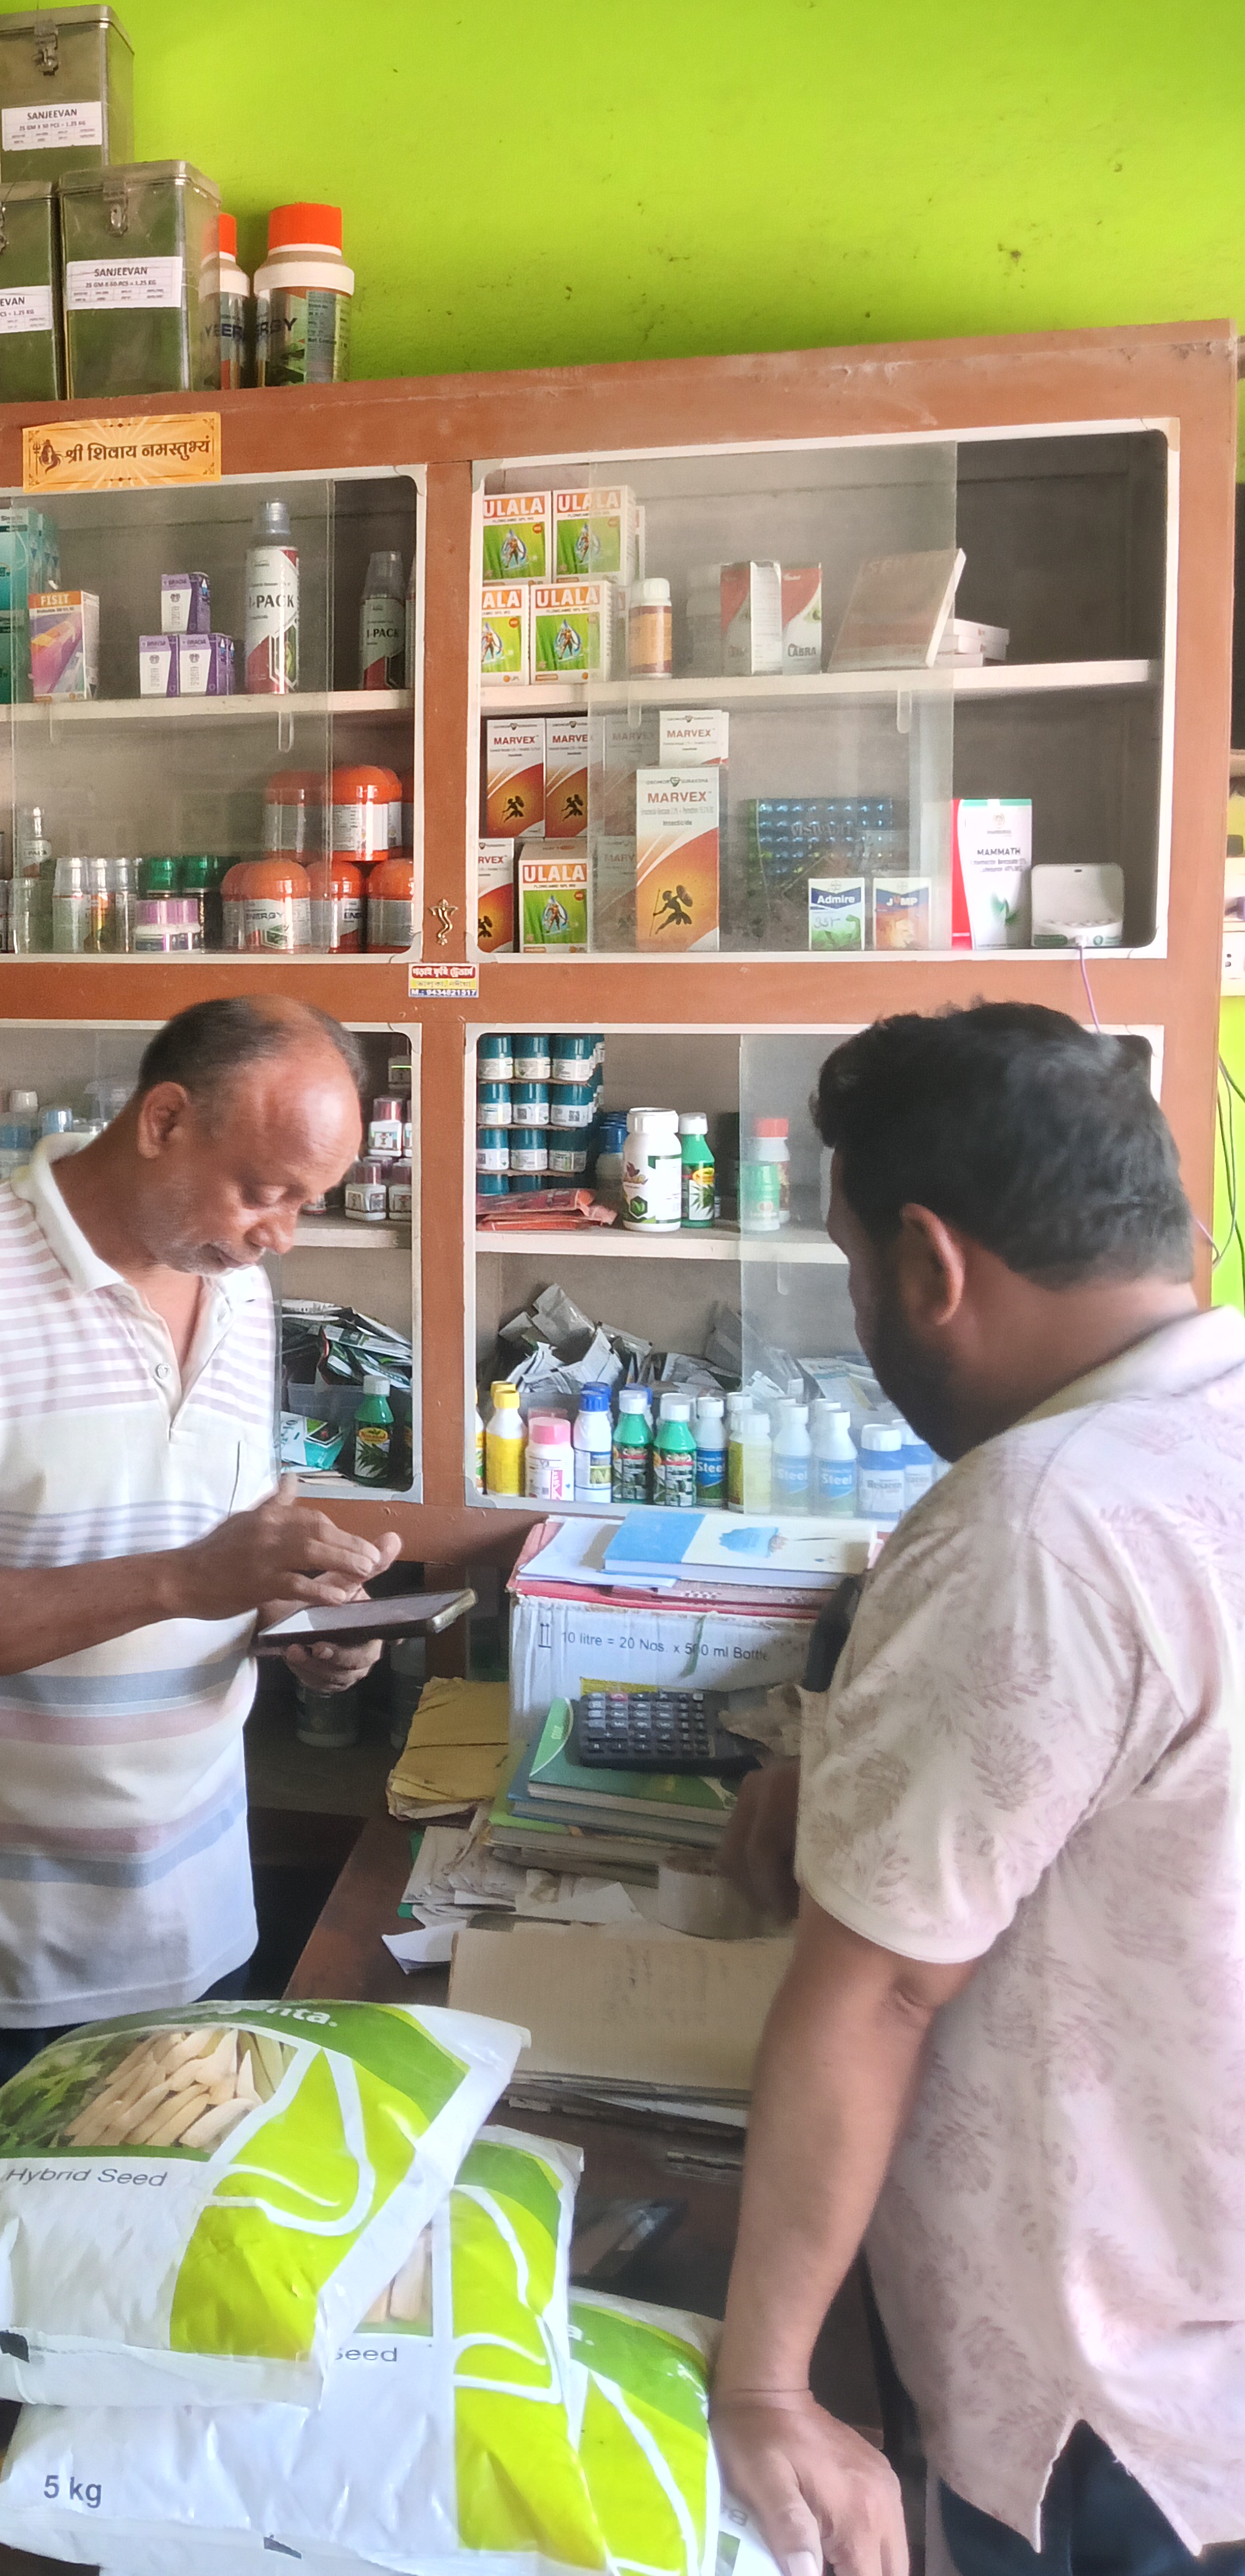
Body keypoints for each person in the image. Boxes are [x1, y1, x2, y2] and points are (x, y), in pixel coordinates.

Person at [713, 1004, 1245, 2576]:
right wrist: (845, 1788)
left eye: (852, 1267)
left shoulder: (1038, 1515)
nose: (861, 1308)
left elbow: (882, 1991)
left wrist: (770, 2387)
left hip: (1099, 2392)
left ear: (929, 1266)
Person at [0, 996, 398, 2079]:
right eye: (264, 1191)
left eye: (305, 1203)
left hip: (196, 1923)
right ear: (165, 1120)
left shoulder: (241, 1291)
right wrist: (179, 1581)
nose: (281, 1235)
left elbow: (225, 1548)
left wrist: (302, 1618)